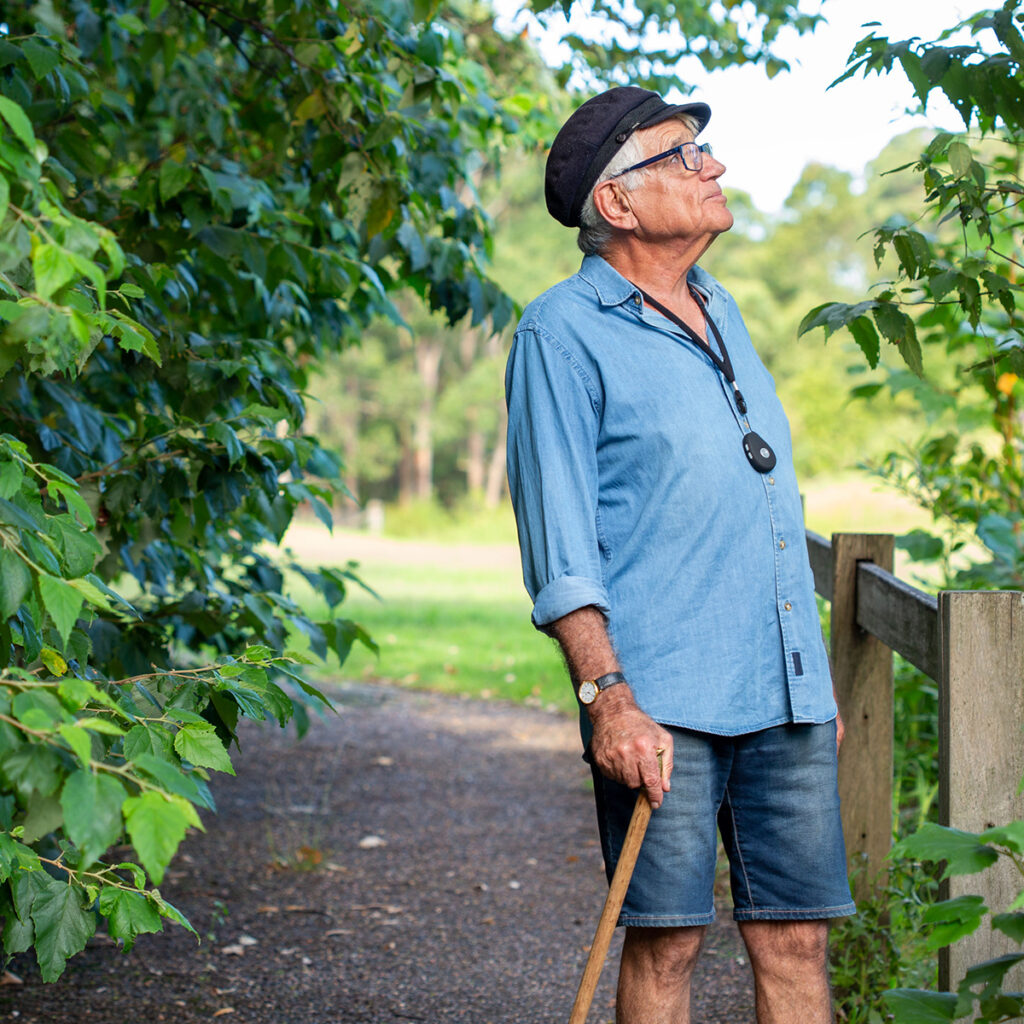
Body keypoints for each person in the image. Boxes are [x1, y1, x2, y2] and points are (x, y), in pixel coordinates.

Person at [504, 86, 856, 1023]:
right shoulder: (560, 332)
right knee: (669, 943)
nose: (715, 167)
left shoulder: (723, 306)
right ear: (616, 203)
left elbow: (764, 510)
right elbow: (560, 545)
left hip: (782, 693)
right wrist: (607, 701)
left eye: (706, 151)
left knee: (798, 937)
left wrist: (811, 684)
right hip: (658, 701)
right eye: (682, 156)